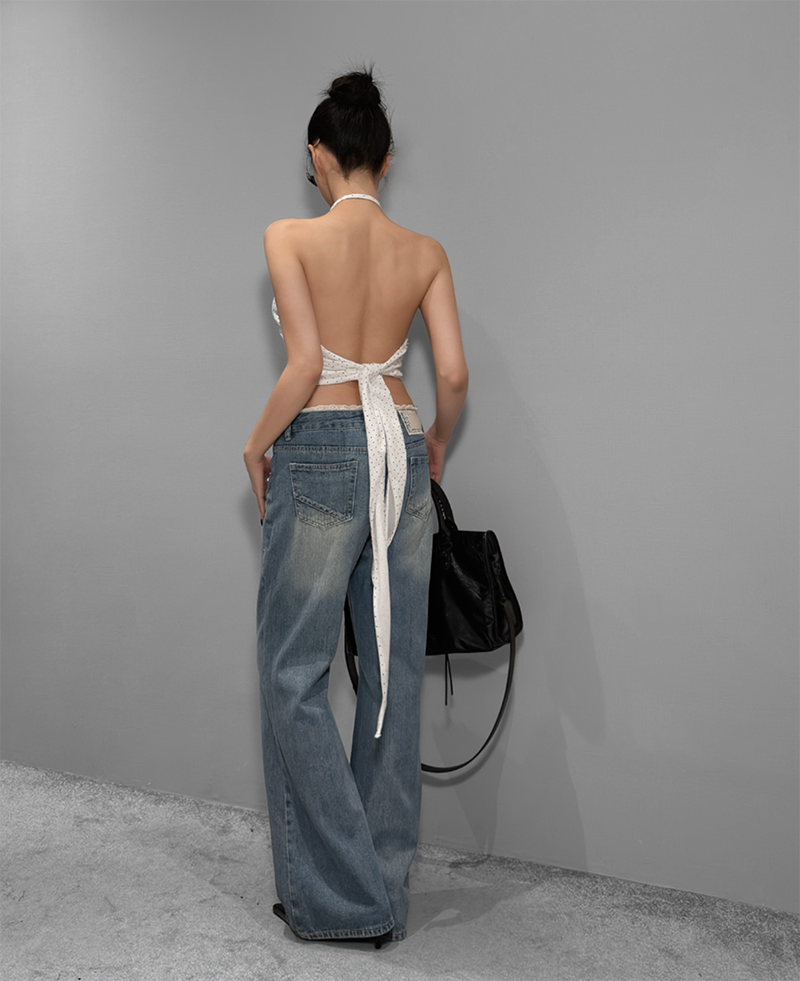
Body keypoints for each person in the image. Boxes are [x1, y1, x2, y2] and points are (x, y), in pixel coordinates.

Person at [243, 69, 468, 947]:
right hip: (400, 442)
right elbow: (453, 374)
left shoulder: (288, 235)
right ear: (387, 156)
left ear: (317, 155)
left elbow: (305, 366)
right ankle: (379, 890)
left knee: (292, 672)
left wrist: (256, 445)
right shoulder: (426, 250)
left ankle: (342, 898)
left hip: (323, 446)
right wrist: (435, 438)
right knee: (393, 672)